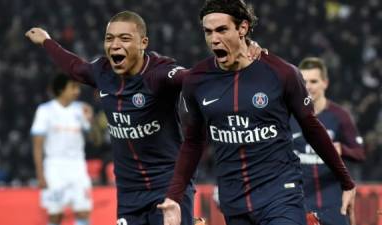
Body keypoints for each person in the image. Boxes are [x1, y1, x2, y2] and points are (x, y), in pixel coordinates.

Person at [26, 11, 263, 225]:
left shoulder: (158, 74)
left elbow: (191, 77)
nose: (115, 45)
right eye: (110, 39)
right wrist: (46, 40)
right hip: (129, 192)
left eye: (124, 39)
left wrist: (239, 56)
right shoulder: (102, 72)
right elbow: (74, 67)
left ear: (143, 43)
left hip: (168, 186)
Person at [158, 1, 356, 225]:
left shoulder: (282, 73)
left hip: (281, 193)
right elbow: (193, 142)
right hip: (233, 198)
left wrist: (346, 182)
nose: (214, 39)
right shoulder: (196, 80)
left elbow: (312, 128)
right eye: (208, 32)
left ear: (243, 28)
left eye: (222, 30)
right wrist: (174, 196)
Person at [290, 57, 365, 225]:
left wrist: (342, 149)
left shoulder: (340, 116)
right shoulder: (289, 116)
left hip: (333, 203)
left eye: (314, 81)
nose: (308, 86)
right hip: (299, 202)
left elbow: (360, 153)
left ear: (325, 83)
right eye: (304, 81)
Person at [31, 74, 93, 225]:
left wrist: (90, 119)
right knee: (56, 215)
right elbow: (37, 145)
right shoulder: (45, 111)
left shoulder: (81, 109)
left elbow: (93, 140)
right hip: (54, 167)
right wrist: (40, 174)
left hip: (77, 166)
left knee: (83, 211)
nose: (77, 91)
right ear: (61, 89)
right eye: (73, 87)